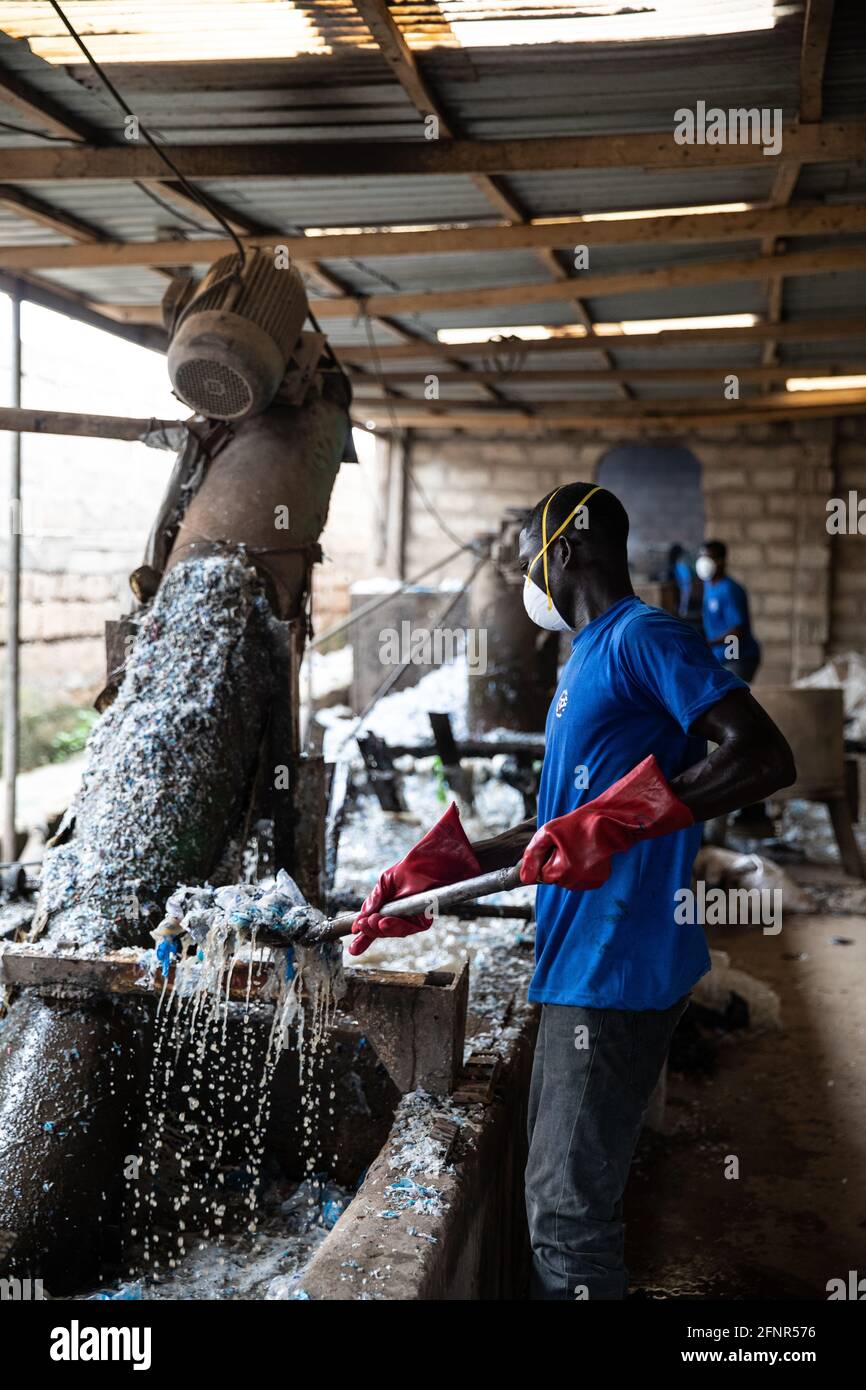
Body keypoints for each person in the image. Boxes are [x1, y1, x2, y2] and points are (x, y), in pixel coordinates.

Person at [349, 483, 795, 1300]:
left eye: (531, 558)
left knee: (565, 1220)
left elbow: (763, 757)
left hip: (614, 965)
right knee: (562, 1203)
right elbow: (564, 824)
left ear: (565, 551)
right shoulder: (584, 657)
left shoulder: (644, 637)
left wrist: (630, 818)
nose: (528, 578)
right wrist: (439, 869)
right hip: (578, 958)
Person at [696, 539, 761, 682]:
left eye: (709, 558)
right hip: (719, 657)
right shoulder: (708, 586)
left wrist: (708, 643)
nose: (704, 562)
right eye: (702, 557)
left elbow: (737, 632)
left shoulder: (729, 590)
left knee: (731, 698)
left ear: (722, 561)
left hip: (736, 657)